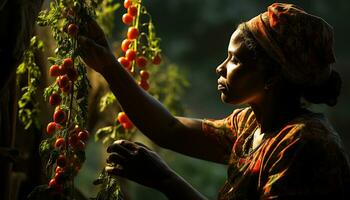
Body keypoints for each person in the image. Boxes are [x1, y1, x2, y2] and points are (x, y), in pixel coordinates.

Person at [78, 3, 350, 200]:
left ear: (272, 76)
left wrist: (165, 179)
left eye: (235, 60)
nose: (220, 68)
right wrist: (108, 65)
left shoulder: (304, 145)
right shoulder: (251, 125)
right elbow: (170, 130)